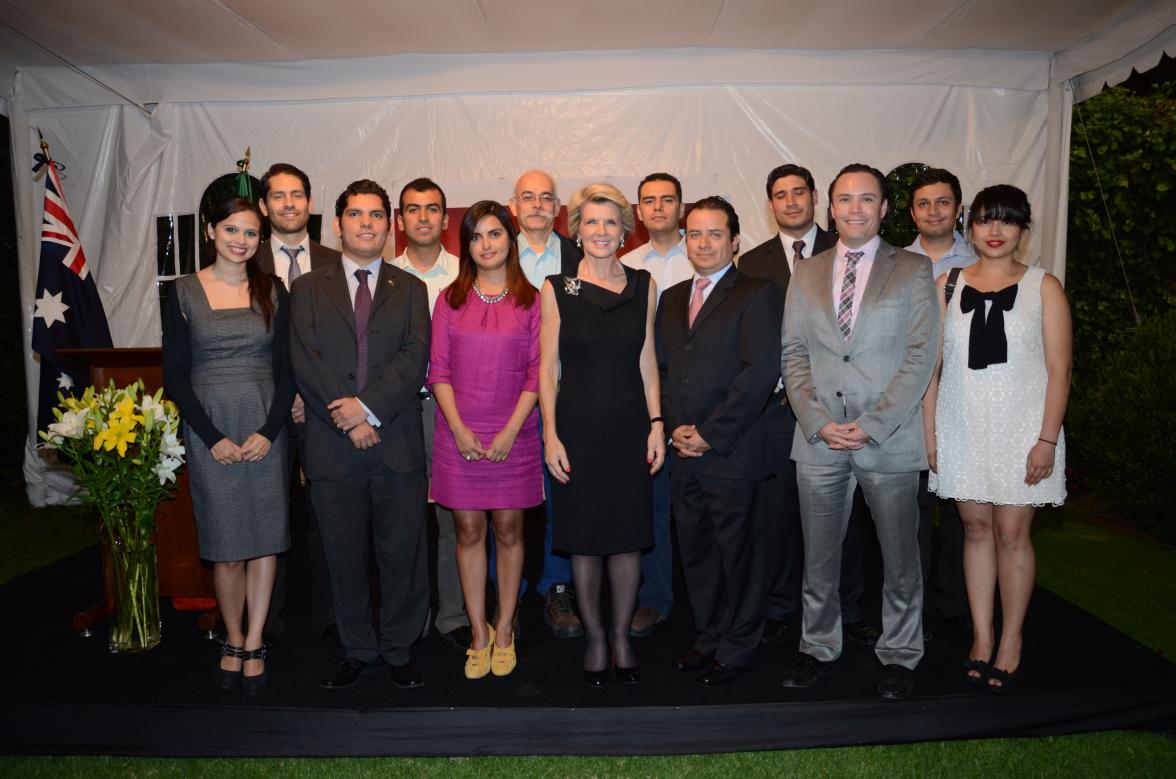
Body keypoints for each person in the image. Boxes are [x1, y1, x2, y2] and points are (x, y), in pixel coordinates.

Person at [781, 163, 939, 700]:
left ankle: (900, 653)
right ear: (831, 208)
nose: (855, 208)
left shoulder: (914, 270)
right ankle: (817, 646)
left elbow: (922, 355)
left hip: (889, 439)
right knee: (818, 555)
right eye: (845, 199)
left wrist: (872, 425)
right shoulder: (804, 272)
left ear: (884, 208)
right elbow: (793, 353)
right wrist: (818, 421)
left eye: (866, 199)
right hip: (818, 438)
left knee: (900, 557)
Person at [924, 185, 1070, 691]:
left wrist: (1047, 440)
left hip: (1023, 430)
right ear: (970, 226)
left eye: (1006, 221)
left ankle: (1011, 639)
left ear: (1022, 229)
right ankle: (981, 637)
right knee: (976, 531)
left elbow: (1060, 370)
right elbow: (932, 372)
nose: (994, 231)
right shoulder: (947, 283)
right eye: (985, 220)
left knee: (1011, 534)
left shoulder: (1043, 286)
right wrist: (931, 435)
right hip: (962, 426)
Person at [289, 179, 431, 691]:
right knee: (342, 556)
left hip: (396, 444)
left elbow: (415, 358)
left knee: (403, 555)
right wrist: (347, 418)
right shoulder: (306, 288)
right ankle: (358, 649)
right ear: (338, 224)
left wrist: (368, 411)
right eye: (355, 214)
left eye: (375, 214)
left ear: (389, 224)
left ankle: (398, 649)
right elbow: (305, 360)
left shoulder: (411, 288)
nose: (366, 223)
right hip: (332, 447)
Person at [162, 196, 295, 696]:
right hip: (209, 432)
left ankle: (256, 638)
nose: (241, 241)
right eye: (232, 230)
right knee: (226, 547)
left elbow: (286, 373)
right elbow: (175, 374)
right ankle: (233, 637)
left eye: (251, 233)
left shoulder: (274, 291)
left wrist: (269, 430)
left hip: (265, 429)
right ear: (211, 231)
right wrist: (211, 437)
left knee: (264, 542)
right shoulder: (182, 292)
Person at [739, 163, 875, 647]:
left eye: (800, 192)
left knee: (845, 519)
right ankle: (780, 606)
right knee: (778, 517)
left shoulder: (848, 250)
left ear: (817, 198)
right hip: (777, 408)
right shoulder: (750, 263)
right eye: (781, 194)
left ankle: (850, 605)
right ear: (770, 203)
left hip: (842, 407)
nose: (791, 201)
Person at [540, 182, 664, 686]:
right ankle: (594, 639)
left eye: (611, 222)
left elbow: (648, 362)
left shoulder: (644, 284)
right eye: (591, 222)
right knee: (586, 542)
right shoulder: (557, 288)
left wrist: (657, 424)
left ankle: (619, 637)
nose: (601, 231)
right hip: (578, 429)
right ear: (576, 230)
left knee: (628, 539)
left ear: (624, 229)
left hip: (630, 428)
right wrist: (550, 434)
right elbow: (548, 370)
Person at [657, 196, 779, 686]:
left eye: (714, 234)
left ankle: (739, 646)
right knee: (698, 553)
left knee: (739, 555)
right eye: (695, 234)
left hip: (731, 451)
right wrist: (673, 427)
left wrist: (709, 434)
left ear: (735, 241)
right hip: (682, 452)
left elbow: (759, 373)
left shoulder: (756, 293)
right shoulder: (670, 299)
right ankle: (707, 637)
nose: (703, 243)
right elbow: (661, 372)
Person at [428, 200, 542, 679]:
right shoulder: (449, 300)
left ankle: (507, 626)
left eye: (495, 234)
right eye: (476, 236)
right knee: (469, 532)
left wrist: (510, 431)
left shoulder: (533, 299)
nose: (486, 244)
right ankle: (478, 631)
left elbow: (538, 373)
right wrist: (458, 429)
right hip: (459, 431)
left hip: (515, 431)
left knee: (509, 533)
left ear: (510, 241)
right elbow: (439, 370)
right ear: (466, 245)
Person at [254, 162, 341, 645]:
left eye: (298, 195)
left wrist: (316, 396)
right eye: (279, 196)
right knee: (271, 516)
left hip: (325, 410)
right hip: (267, 413)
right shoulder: (244, 261)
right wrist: (283, 398)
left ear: (310, 203)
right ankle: (268, 618)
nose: (289, 204)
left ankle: (331, 615)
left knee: (329, 514)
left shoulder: (337, 261)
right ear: (264, 207)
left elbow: (347, 342)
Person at [390, 177, 472, 650]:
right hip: (399, 413)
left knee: (454, 522)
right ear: (400, 221)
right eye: (413, 209)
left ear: (446, 219)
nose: (423, 217)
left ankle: (455, 616)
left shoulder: (466, 275)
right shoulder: (382, 276)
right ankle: (411, 617)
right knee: (403, 521)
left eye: (432, 209)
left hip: (455, 413)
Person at [508, 169, 585, 639]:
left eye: (546, 198)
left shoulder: (582, 257)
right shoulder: (490, 251)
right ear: (512, 205)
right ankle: (505, 592)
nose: (537, 205)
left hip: (566, 396)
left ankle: (558, 588)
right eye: (527, 197)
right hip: (506, 400)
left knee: (562, 496)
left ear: (558, 208)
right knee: (504, 503)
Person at [620, 172, 692, 637]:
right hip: (643, 398)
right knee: (653, 506)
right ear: (638, 212)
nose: (659, 207)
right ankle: (655, 598)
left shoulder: (706, 252)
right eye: (649, 201)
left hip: (697, 396)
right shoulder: (625, 264)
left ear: (681, 207)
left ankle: (709, 602)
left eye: (668, 200)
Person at [906, 167, 976, 641]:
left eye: (943, 202)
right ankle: (910, 600)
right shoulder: (893, 261)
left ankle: (953, 598)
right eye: (924, 203)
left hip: (962, 399)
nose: (934, 211)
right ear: (911, 212)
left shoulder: (981, 258)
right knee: (908, 510)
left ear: (958, 207)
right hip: (905, 400)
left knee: (957, 507)